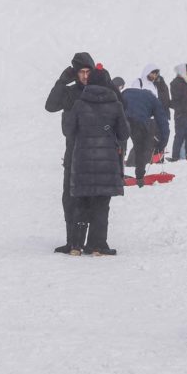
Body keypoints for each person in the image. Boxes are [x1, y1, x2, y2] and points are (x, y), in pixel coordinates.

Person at [64, 68, 129, 256]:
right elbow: (124, 133)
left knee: (81, 202)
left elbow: (69, 131)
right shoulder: (115, 105)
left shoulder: (79, 104)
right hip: (106, 163)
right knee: (101, 204)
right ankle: (97, 246)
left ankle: (76, 245)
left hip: (82, 161)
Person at [45, 52, 97, 253]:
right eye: (81, 72)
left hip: (93, 153)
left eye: (87, 72)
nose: (85, 76)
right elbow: (50, 106)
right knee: (69, 198)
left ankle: (90, 241)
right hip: (73, 152)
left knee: (90, 199)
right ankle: (72, 241)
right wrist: (61, 82)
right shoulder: (70, 92)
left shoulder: (99, 91)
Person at [121, 75, 167, 185]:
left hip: (122, 118)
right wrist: (161, 146)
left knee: (119, 146)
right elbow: (164, 125)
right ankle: (140, 177)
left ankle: (117, 174)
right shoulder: (153, 100)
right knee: (140, 147)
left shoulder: (126, 92)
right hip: (139, 122)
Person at [169, 63, 187, 161]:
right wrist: (181, 111)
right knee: (179, 137)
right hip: (181, 115)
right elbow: (177, 99)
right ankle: (175, 156)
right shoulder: (175, 83)